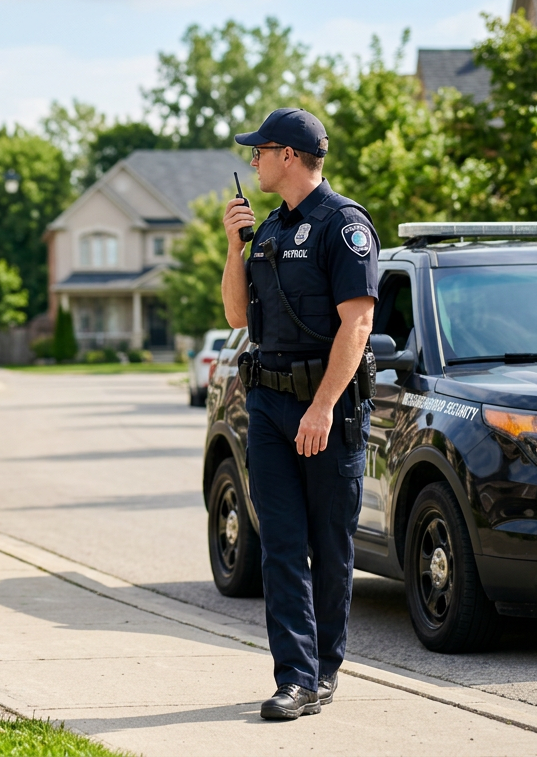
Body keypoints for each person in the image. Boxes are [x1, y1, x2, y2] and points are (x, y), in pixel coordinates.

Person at [220, 108, 379, 721]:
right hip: (268, 406)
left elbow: (358, 321)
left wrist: (322, 406)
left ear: (288, 155)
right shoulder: (267, 232)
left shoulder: (344, 226)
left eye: (259, 150)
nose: (253, 160)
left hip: (327, 410)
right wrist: (235, 246)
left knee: (329, 546)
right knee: (281, 544)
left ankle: (324, 671)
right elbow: (237, 316)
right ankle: (295, 678)